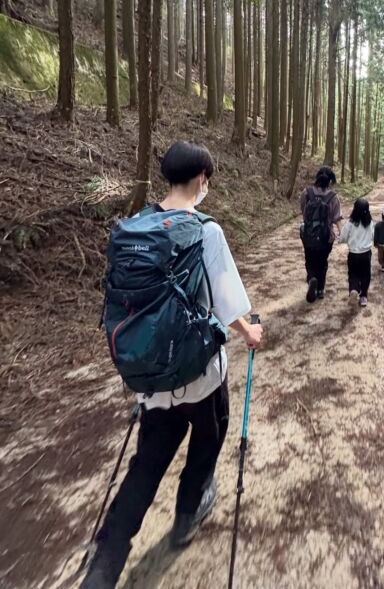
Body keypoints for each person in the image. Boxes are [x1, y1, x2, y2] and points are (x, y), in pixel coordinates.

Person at [82, 142, 262, 589]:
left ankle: (106, 562)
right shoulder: (205, 230)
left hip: (151, 378)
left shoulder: (134, 227)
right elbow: (227, 304)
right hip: (200, 375)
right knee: (209, 439)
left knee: (146, 464)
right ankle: (187, 514)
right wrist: (249, 332)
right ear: (202, 178)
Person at [299, 168, 341, 303]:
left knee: (309, 260)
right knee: (322, 262)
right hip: (325, 237)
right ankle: (320, 290)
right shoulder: (333, 197)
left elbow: (303, 211)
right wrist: (341, 232)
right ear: (330, 181)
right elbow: (337, 218)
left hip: (308, 235)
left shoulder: (306, 192)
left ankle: (311, 278)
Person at [337, 197, 374, 307]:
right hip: (366, 254)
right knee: (365, 275)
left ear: (355, 209)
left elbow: (343, 237)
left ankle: (354, 289)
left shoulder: (350, 223)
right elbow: (373, 236)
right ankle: (363, 297)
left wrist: (340, 240)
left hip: (353, 254)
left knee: (353, 273)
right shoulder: (370, 223)